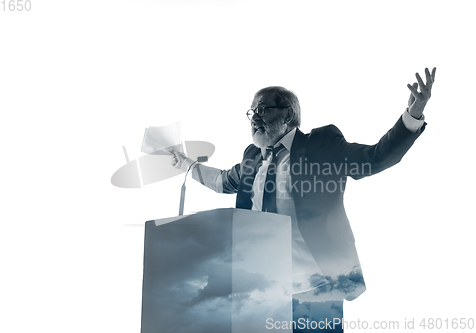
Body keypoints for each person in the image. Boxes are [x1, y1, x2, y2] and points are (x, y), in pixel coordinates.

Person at [170, 68, 436, 332]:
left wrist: (412, 116)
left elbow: (374, 158)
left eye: (262, 109)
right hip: (261, 288)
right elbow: (222, 181)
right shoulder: (253, 156)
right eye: (251, 112)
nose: (254, 118)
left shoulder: (321, 144)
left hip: (316, 286)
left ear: (287, 114)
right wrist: (187, 165)